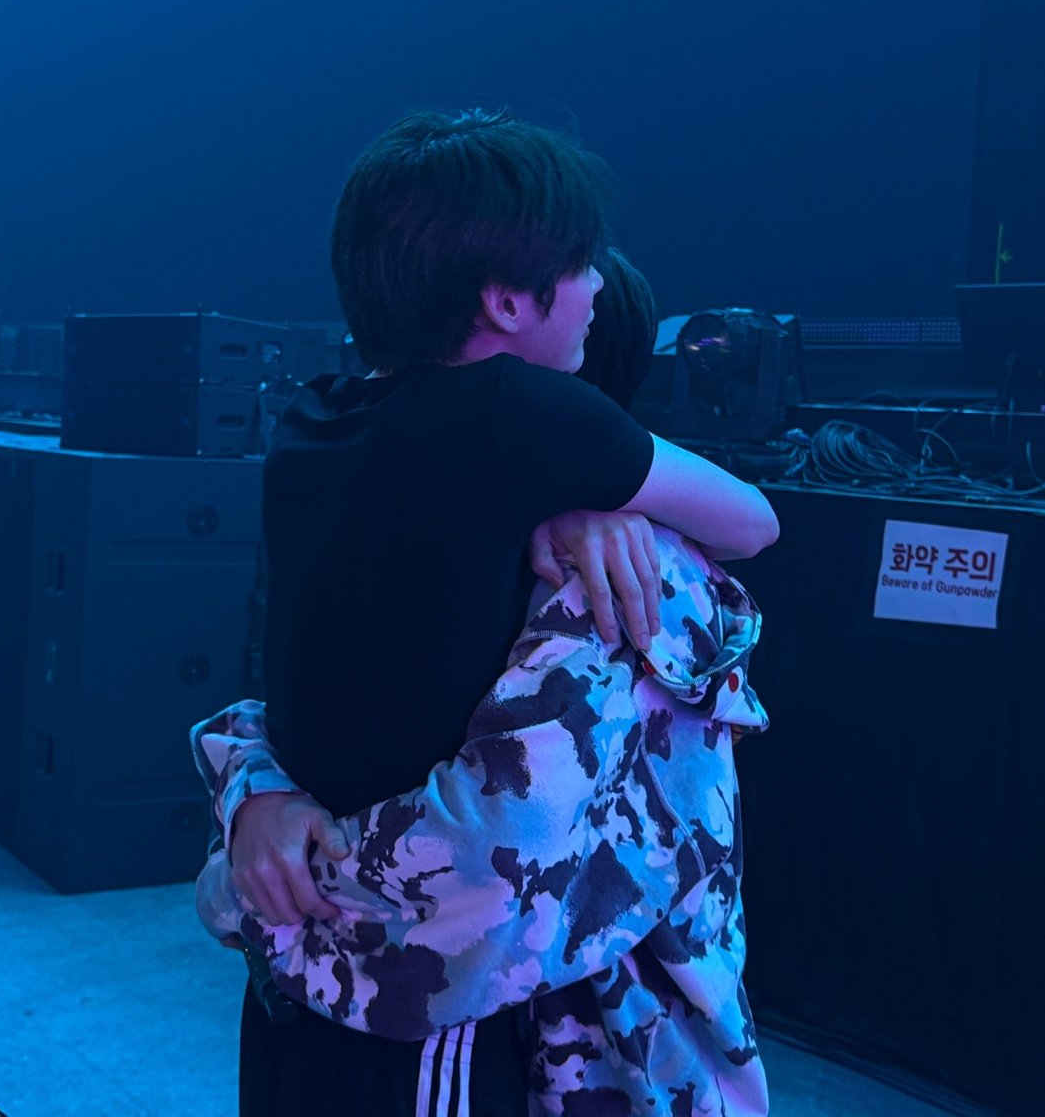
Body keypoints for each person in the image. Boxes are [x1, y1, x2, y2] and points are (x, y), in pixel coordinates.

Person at [194, 108, 778, 1116]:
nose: (595, 285)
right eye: (578, 263)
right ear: (506, 303)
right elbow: (753, 522)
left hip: (290, 982)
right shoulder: (522, 415)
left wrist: (249, 832)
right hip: (432, 1014)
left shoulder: (312, 421)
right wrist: (596, 494)